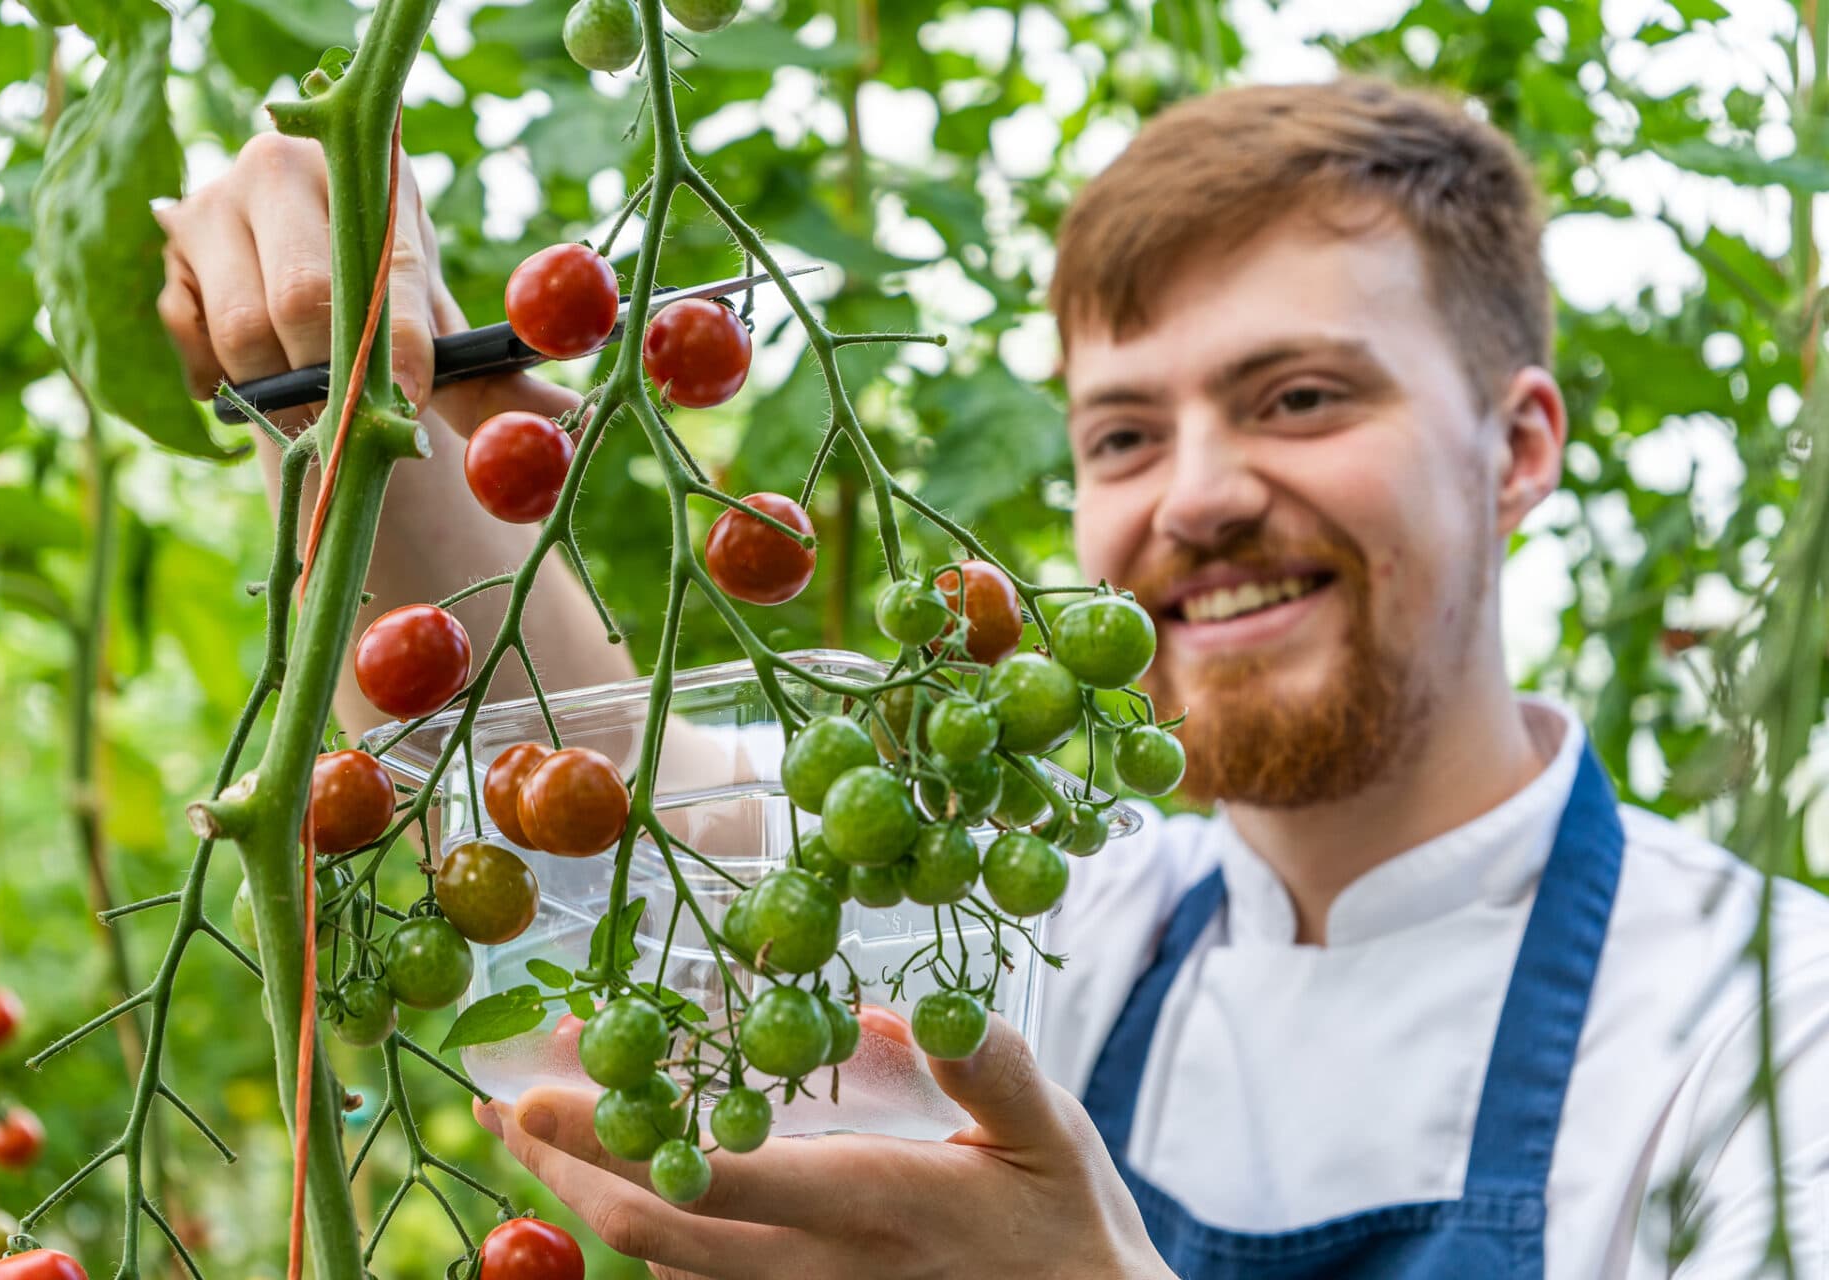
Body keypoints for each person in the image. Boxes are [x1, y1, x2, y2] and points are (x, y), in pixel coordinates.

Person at [157, 74, 1829, 1279]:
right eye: (1123, 430)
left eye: (1302, 397)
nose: (1195, 494)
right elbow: (601, 816)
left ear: (1519, 446)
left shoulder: (1763, 1031)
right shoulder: (1043, 906)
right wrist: (353, 393)